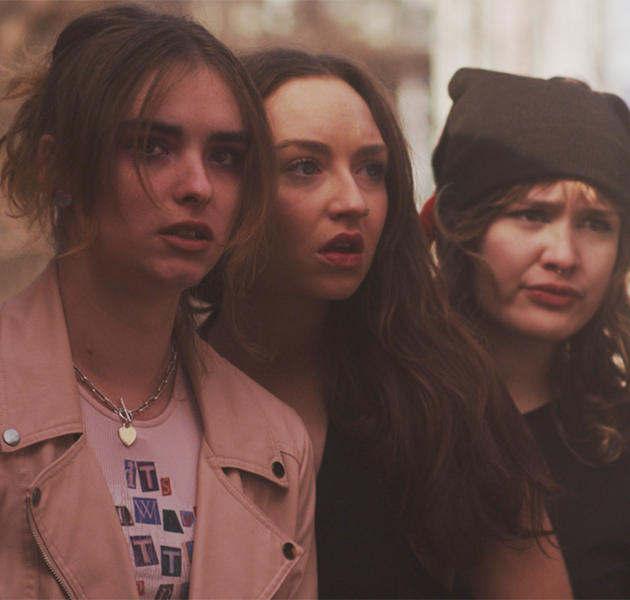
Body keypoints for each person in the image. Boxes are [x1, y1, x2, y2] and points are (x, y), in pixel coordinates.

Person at [0, 6, 316, 599]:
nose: (198, 185)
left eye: (224, 156)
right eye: (152, 147)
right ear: (58, 167)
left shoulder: (275, 446)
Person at [202, 50, 571, 599]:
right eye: (305, 167)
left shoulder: (443, 395)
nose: (353, 202)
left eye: (371, 170)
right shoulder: (152, 390)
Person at [425, 68, 630, 599]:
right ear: (460, 228)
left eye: (595, 224)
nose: (564, 255)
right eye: (530, 214)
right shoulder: (376, 417)